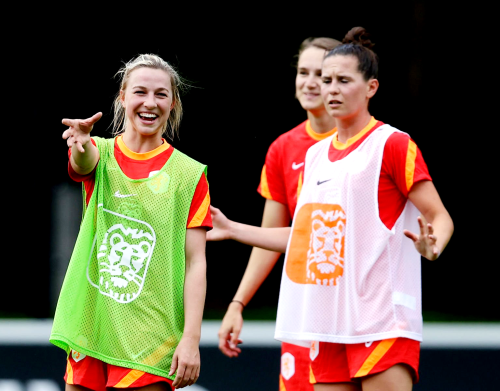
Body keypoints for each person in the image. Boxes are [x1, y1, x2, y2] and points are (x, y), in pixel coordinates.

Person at [208, 27, 454, 391]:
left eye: (342, 80)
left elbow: (439, 216)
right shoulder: (314, 156)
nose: (330, 89)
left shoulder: (393, 144)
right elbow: (309, 237)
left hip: (381, 321)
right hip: (327, 322)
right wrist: (233, 229)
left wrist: (434, 245)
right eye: (326, 80)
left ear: (371, 87)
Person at [50, 54, 211, 390]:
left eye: (161, 94)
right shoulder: (100, 151)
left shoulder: (189, 175)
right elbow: (83, 162)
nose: (149, 103)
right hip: (92, 324)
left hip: (151, 336)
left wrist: (191, 340)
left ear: (173, 103)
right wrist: (79, 144)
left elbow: (196, 262)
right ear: (122, 97)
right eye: (140, 92)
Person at [217, 36, 341, 391]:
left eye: (323, 73)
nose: (310, 82)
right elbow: (271, 237)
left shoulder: (369, 142)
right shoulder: (283, 149)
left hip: (354, 309)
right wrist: (237, 304)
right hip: (303, 309)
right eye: (304, 72)